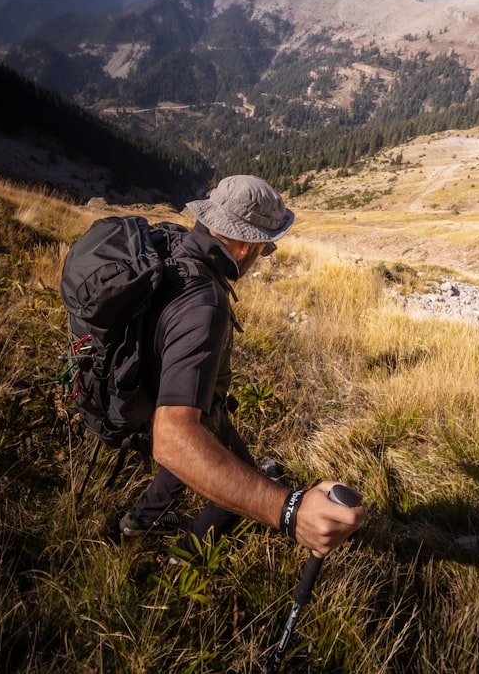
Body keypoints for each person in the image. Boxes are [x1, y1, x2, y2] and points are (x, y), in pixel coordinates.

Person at [118, 175, 365, 556]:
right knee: (230, 488)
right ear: (246, 244)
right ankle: (182, 564)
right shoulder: (205, 307)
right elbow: (173, 438)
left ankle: (136, 524)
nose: (262, 257)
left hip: (151, 391)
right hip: (189, 411)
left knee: (191, 447)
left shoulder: (170, 249)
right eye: (266, 248)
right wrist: (287, 512)